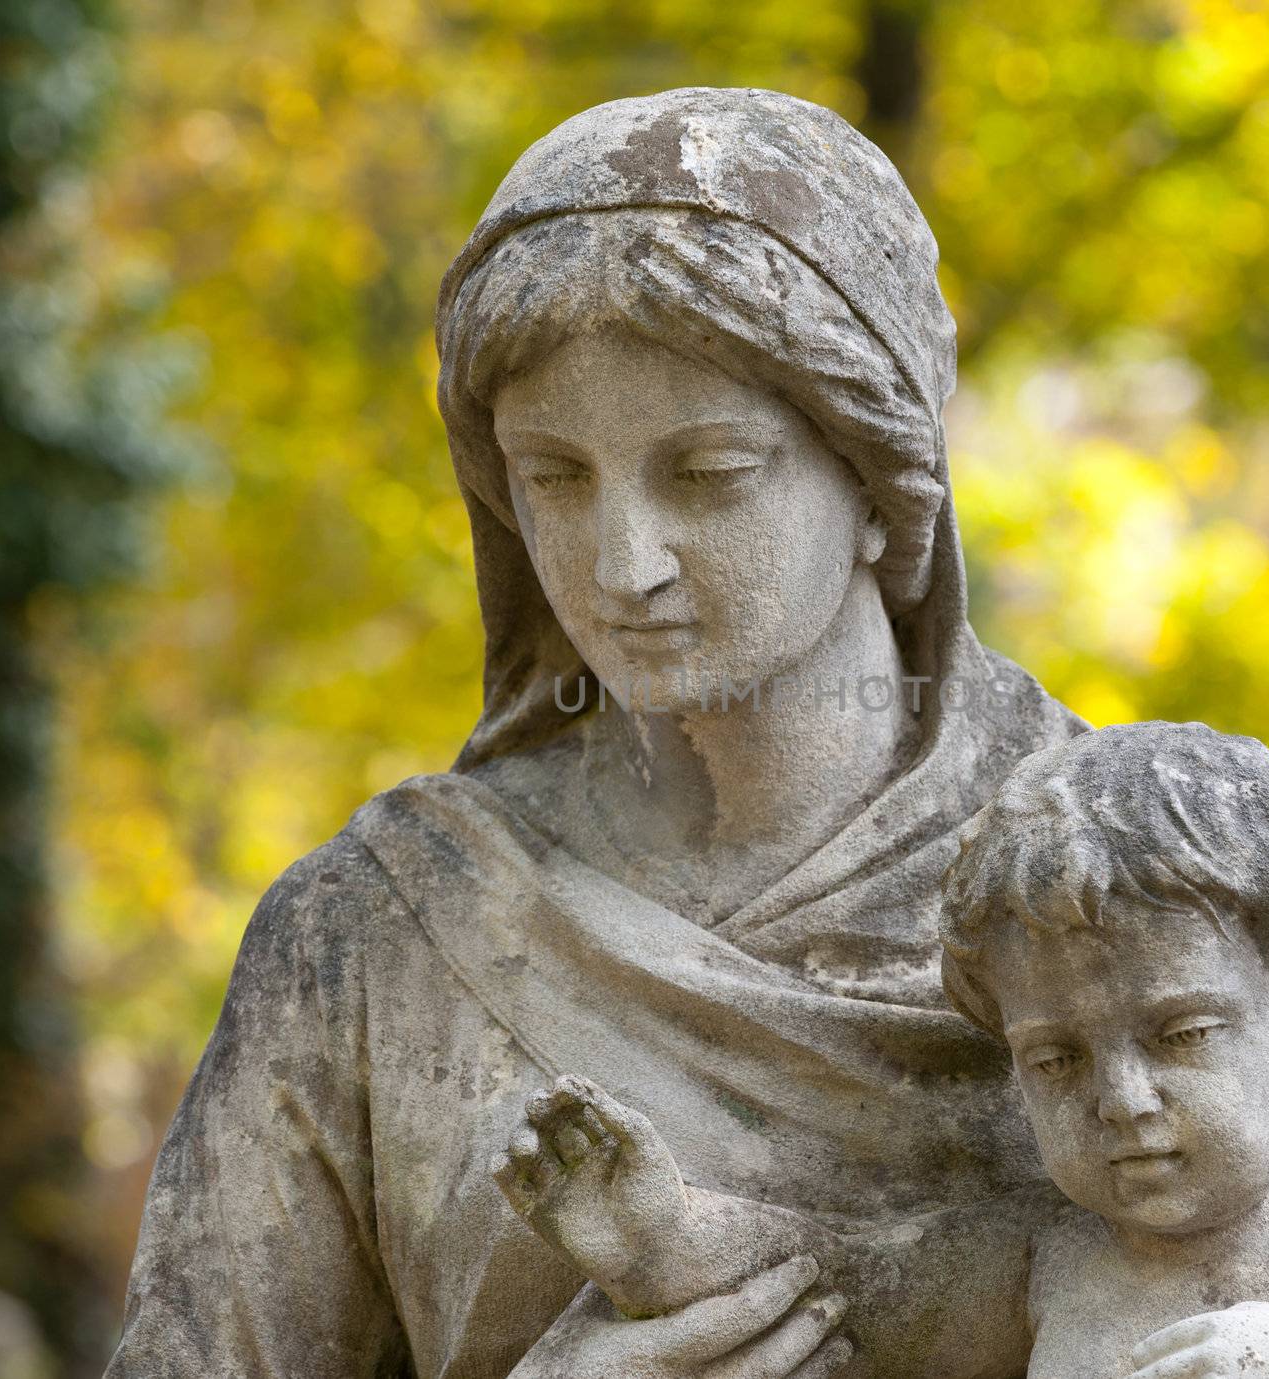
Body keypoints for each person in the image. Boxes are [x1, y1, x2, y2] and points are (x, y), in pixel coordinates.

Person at [105, 88, 1088, 1377]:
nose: (625, 565)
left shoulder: (1108, 865)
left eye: (709, 474)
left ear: (880, 483)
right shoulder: (380, 928)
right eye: (554, 478)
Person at [502, 723, 1269, 1379]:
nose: (1122, 1096)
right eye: (1055, 1057)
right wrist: (660, 1237)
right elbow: (835, 1280)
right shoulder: (1048, 1259)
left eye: (1181, 1032)